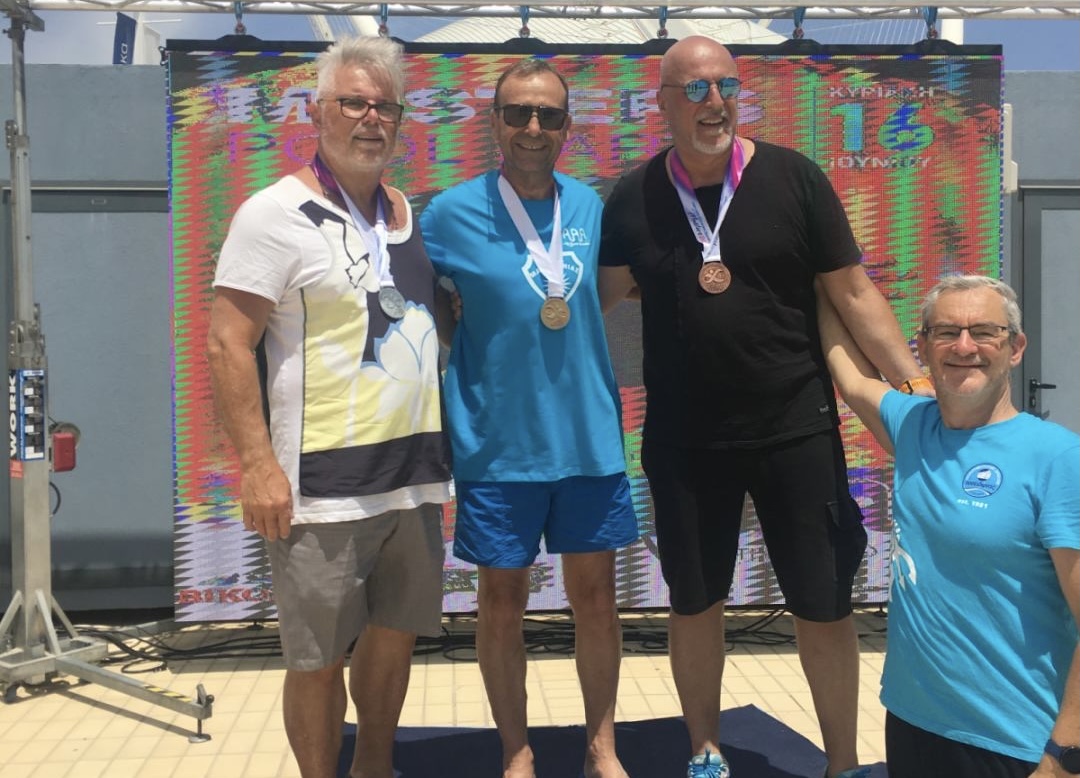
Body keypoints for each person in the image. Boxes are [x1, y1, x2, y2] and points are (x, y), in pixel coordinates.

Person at [598, 35, 929, 778]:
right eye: (695, 89)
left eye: (726, 86)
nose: (714, 102)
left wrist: (916, 391)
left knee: (824, 604)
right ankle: (705, 753)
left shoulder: (793, 178)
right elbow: (594, 304)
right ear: (663, 103)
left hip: (796, 430)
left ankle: (841, 764)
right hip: (684, 443)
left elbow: (853, 292)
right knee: (695, 604)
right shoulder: (634, 196)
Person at [206, 36, 452, 778]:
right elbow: (227, 344)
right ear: (316, 112)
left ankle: (373, 764)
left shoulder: (408, 214)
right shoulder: (272, 213)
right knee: (316, 661)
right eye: (353, 103)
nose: (371, 118)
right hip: (319, 489)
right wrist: (257, 466)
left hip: (413, 477)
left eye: (385, 106)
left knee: (395, 638)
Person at [420, 59, 639, 778]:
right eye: (518, 112)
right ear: (495, 122)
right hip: (497, 443)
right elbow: (416, 295)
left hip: (586, 438)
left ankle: (601, 747)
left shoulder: (591, 207)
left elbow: (594, 296)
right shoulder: (449, 213)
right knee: (501, 600)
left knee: (597, 601)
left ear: (568, 126)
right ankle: (516, 751)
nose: (533, 127)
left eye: (548, 114)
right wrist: (452, 324)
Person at [819, 275, 1080, 778]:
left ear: (1016, 348)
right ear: (922, 347)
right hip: (912, 723)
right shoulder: (913, 426)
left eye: (984, 332)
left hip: (1015, 745)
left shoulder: (1058, 458)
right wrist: (818, 277)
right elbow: (850, 377)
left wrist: (1063, 759)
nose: (964, 347)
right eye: (946, 332)